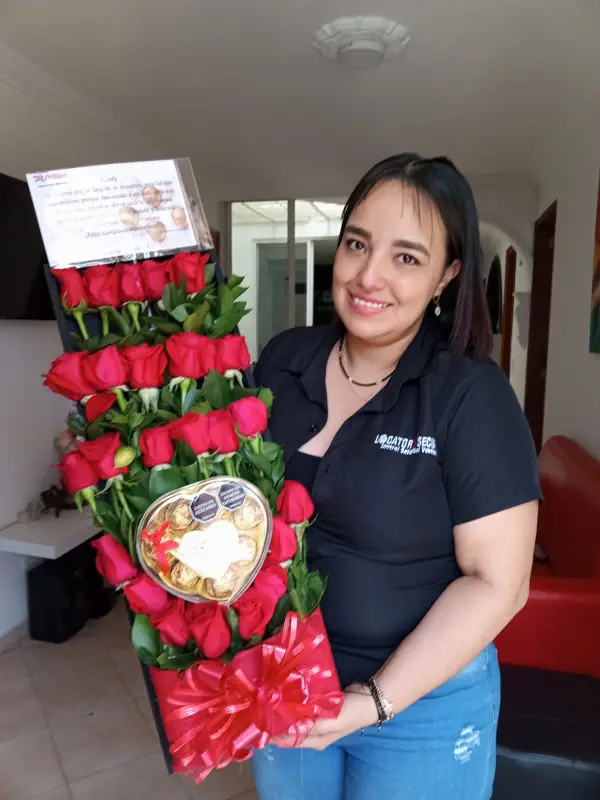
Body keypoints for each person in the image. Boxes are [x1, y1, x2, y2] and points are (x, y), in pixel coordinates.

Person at [251, 154, 541, 800]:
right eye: (357, 244)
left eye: (406, 257)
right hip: (286, 678)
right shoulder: (283, 359)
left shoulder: (470, 395)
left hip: (423, 709)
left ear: (448, 275)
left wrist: (373, 701)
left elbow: (499, 583)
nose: (368, 276)